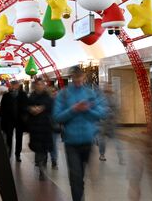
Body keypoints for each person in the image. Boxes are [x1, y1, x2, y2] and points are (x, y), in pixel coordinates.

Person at [53, 66, 107, 201]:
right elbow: (57, 116)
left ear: (83, 77)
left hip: (88, 141)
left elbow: (101, 113)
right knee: (75, 175)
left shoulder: (90, 94)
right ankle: (78, 197)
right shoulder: (63, 94)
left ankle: (80, 191)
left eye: (80, 77)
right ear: (71, 77)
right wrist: (73, 109)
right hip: (71, 142)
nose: (77, 80)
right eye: (75, 77)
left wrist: (87, 109)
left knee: (83, 175)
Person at [27, 79, 54, 180]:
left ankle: (42, 165)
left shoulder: (48, 97)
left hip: (46, 126)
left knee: (44, 147)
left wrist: (42, 108)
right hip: (35, 127)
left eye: (41, 84)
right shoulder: (31, 97)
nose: (40, 86)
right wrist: (31, 109)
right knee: (38, 148)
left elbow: (51, 107)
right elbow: (26, 107)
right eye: (38, 84)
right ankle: (40, 164)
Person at [0, 80, 28, 162]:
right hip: (9, 120)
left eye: (16, 85)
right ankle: (9, 153)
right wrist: (2, 120)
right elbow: (2, 108)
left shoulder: (23, 95)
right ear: (11, 86)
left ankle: (17, 154)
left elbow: (26, 106)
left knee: (19, 138)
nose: (15, 86)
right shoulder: (6, 95)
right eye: (13, 85)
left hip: (19, 120)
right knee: (9, 137)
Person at [97, 85, 124, 164]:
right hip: (105, 123)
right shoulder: (104, 98)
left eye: (110, 87)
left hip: (109, 123)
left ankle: (120, 157)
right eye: (108, 87)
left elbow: (117, 110)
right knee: (104, 140)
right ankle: (104, 155)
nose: (109, 88)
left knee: (114, 141)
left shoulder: (108, 98)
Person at [49, 86, 60, 169]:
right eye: (52, 91)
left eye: (55, 91)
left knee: (53, 144)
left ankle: (54, 160)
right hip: (46, 126)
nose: (55, 93)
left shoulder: (59, 102)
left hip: (55, 126)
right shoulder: (47, 101)